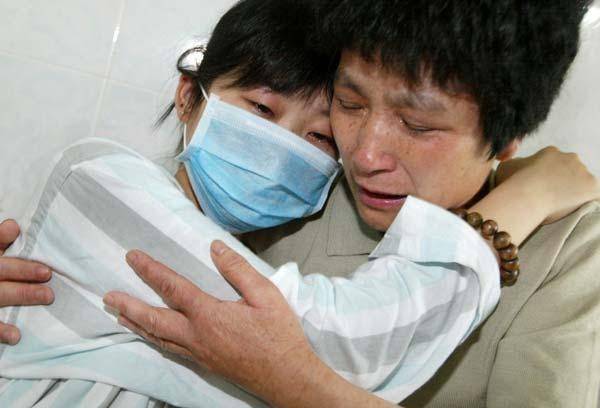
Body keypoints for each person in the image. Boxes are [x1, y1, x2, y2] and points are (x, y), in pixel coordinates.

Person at [102, 0, 600, 407]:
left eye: (418, 125)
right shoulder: (294, 196)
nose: (363, 155)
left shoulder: (570, 250)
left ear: (506, 139)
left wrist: (290, 381)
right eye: (349, 104)